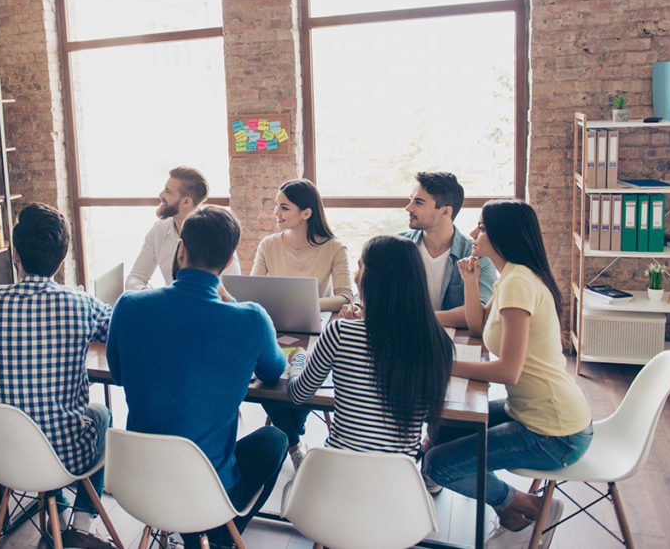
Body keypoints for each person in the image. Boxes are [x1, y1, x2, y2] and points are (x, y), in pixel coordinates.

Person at [108, 206, 287, 548]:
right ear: (230, 258)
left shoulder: (128, 305)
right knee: (275, 439)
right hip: (206, 490)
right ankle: (219, 535)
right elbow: (273, 370)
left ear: (181, 249)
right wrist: (231, 301)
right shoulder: (250, 319)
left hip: (136, 483)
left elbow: (118, 375)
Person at [423, 200, 593, 546]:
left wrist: (442, 364)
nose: (473, 233)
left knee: (437, 465)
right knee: (442, 425)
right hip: (532, 414)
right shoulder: (512, 276)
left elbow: (508, 371)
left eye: (482, 227)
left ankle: (528, 505)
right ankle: (512, 512)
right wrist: (469, 282)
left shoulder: (519, 283)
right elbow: (478, 325)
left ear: (504, 236)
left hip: (553, 433)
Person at [0, 203, 115, 549]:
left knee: (21, 411)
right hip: (65, 455)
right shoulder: (83, 305)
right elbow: (118, 334)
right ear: (62, 259)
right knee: (102, 414)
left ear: (15, 255)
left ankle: (56, 519)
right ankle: (80, 523)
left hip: (1, 454)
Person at [286, 235, 453, 457]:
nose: (356, 276)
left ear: (374, 280)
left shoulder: (340, 332)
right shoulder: (437, 341)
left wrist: (300, 358)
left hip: (337, 471)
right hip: (400, 480)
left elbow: (299, 395)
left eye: (360, 267)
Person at [251, 178, 351, 467]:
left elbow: (345, 297)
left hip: (317, 331)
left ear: (306, 213)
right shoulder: (268, 244)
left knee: (302, 380)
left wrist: (305, 302)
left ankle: (291, 430)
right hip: (277, 328)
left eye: (284, 207)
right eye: (276, 207)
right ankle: (295, 441)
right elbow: (254, 288)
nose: (276, 213)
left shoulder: (334, 248)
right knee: (265, 378)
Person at [401, 171, 496, 324]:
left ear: (446, 211)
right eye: (411, 200)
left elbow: (481, 312)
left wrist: (418, 318)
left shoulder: (478, 255)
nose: (408, 208)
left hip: (457, 343)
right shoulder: (396, 247)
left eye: (418, 202)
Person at [125, 166, 240, 291]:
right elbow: (135, 278)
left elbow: (232, 289)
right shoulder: (158, 231)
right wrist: (148, 293)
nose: (161, 195)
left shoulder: (217, 233)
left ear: (186, 201)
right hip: (168, 305)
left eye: (168, 192)